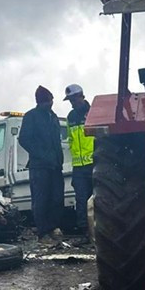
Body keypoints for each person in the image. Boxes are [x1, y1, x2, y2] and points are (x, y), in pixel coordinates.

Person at [18, 85, 65, 240]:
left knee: (57, 197)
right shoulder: (31, 116)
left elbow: (56, 141)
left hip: (55, 165)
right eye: (48, 101)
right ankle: (43, 230)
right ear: (40, 102)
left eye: (51, 100)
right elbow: (24, 139)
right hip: (39, 166)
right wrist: (42, 155)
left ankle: (53, 227)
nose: (51, 103)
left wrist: (58, 159)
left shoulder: (53, 116)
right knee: (41, 199)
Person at [64, 83, 94, 237]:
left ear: (81, 96)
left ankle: (98, 230)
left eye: (73, 99)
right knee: (81, 199)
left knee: (97, 198)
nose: (72, 103)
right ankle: (84, 232)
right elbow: (70, 139)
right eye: (70, 100)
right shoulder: (71, 116)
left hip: (94, 163)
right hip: (79, 166)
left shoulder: (93, 113)